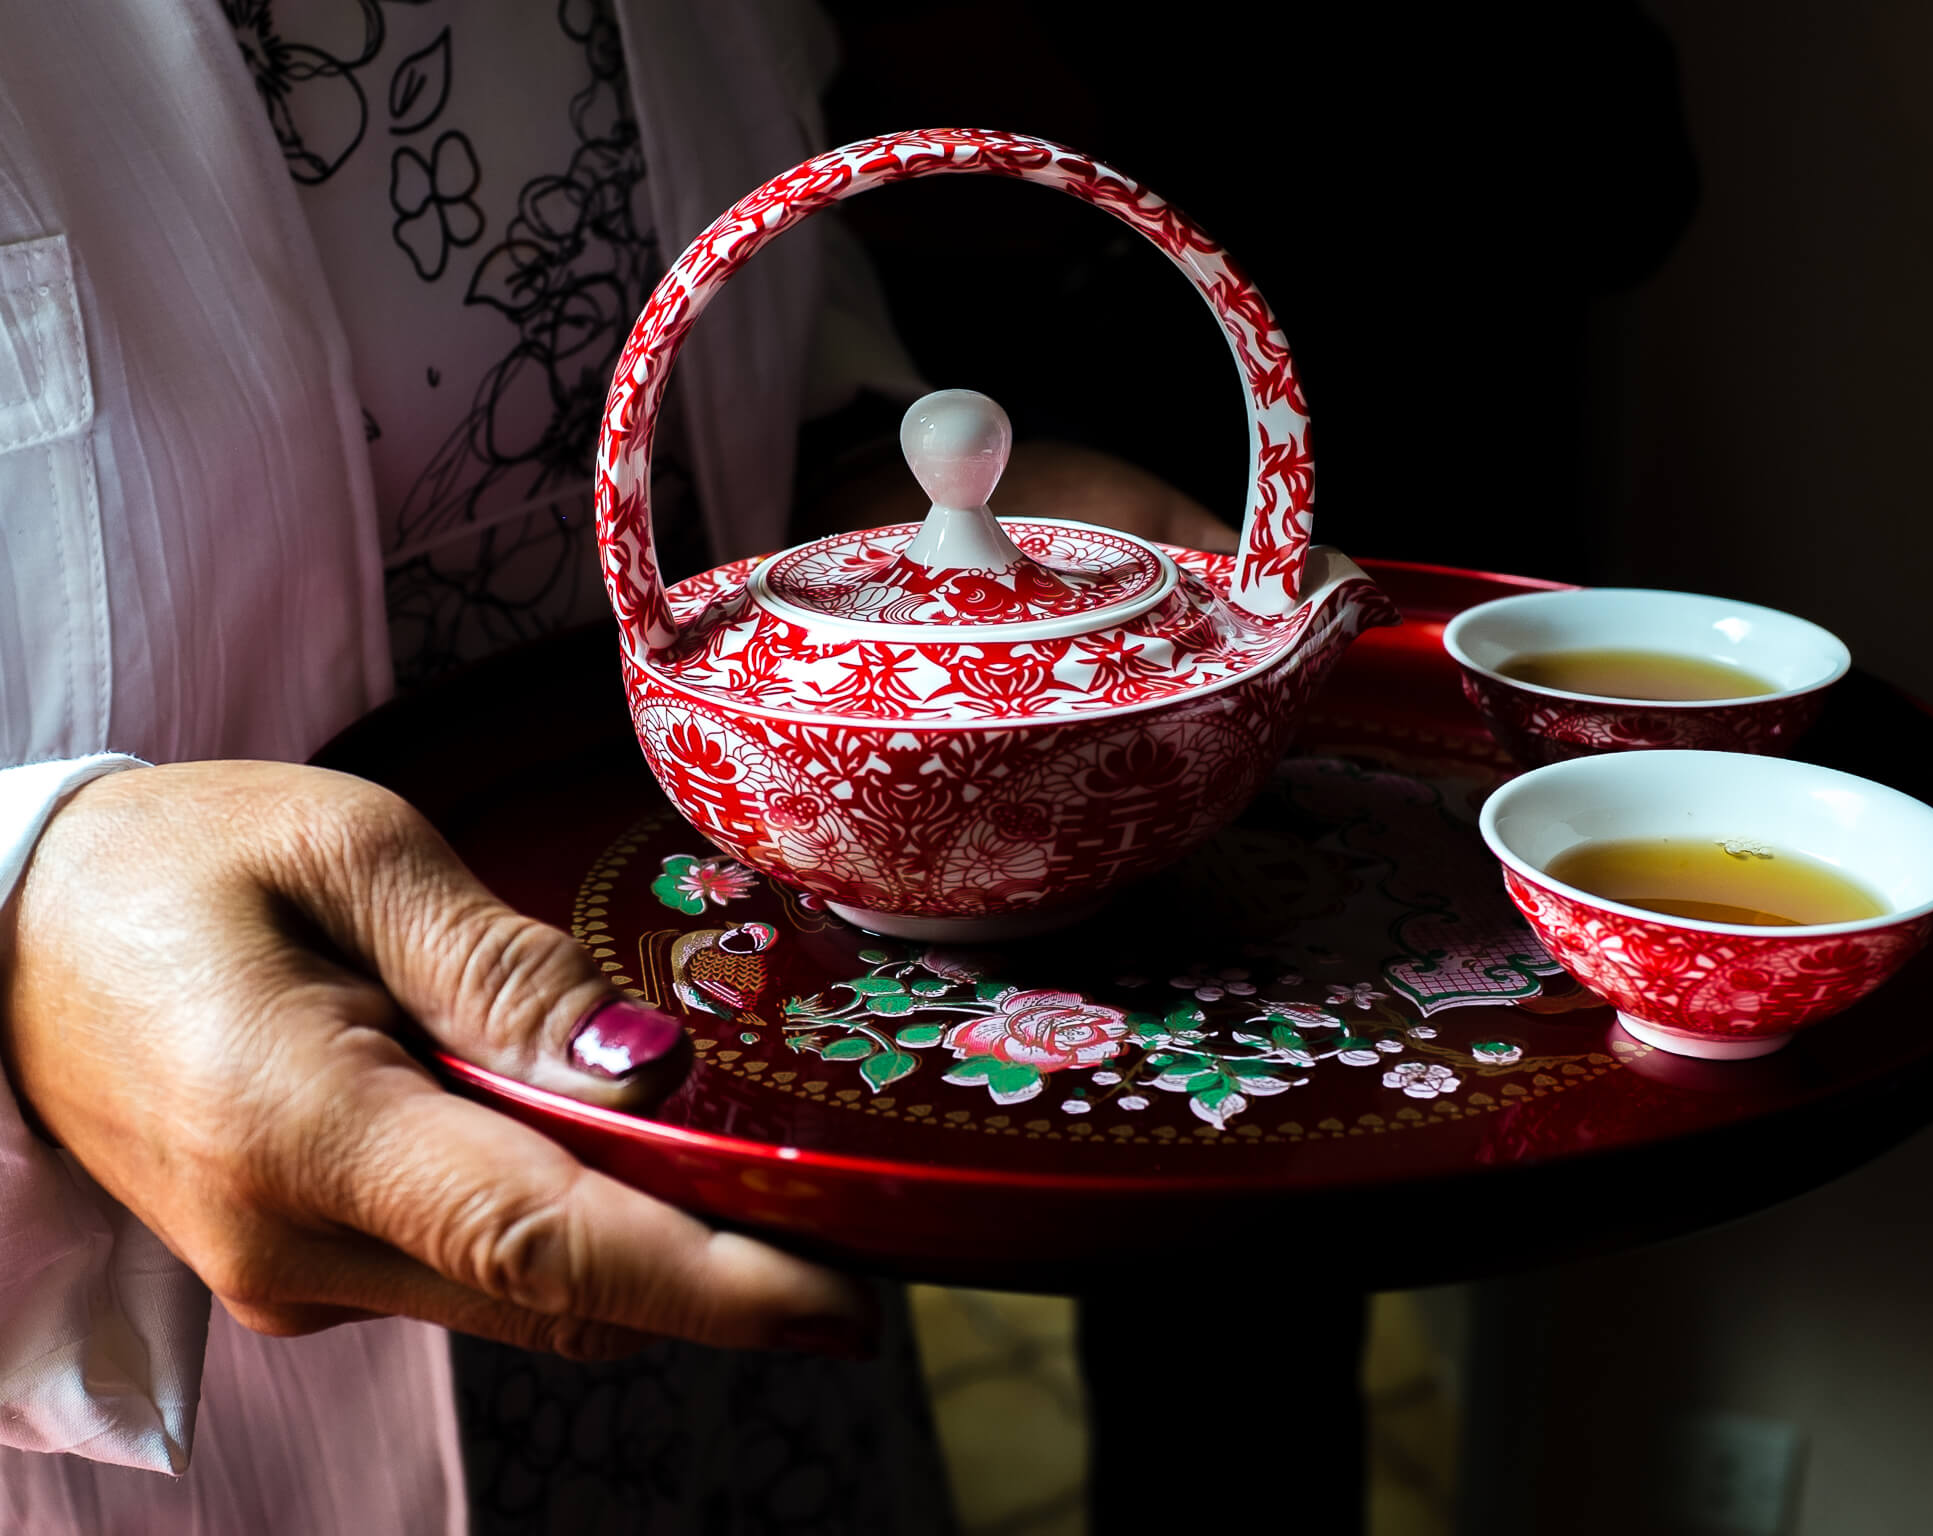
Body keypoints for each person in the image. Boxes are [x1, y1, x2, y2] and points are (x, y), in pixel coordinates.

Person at [0, 2, 1220, 1530]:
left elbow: (761, 283)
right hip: (196, 1353)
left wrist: (876, 524)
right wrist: (25, 926)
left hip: (754, 1136)